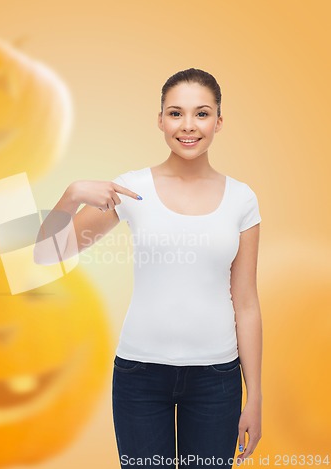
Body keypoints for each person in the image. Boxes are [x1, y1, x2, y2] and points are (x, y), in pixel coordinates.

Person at [34, 68, 262, 468]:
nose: (188, 126)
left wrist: (254, 394)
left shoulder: (242, 199)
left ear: (219, 122)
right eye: (175, 113)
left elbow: (245, 302)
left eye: (202, 114)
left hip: (217, 380)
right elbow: (46, 255)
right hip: (140, 377)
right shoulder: (131, 190)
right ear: (160, 120)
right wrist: (69, 197)